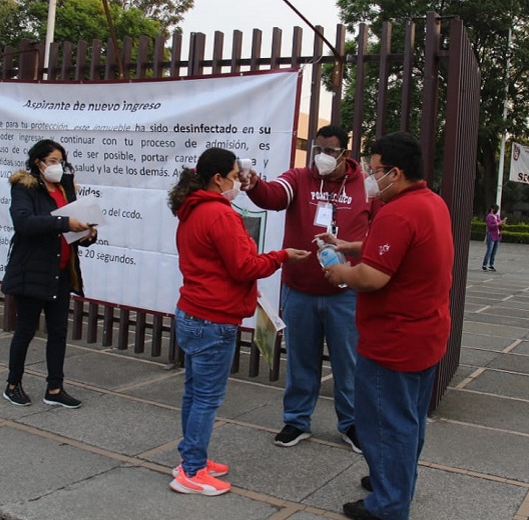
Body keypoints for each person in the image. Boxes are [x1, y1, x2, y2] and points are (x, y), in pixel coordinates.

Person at [322, 132, 454, 520]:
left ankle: (388, 505)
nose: (367, 175)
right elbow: (396, 248)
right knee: (408, 422)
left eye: (373, 168)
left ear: (395, 172)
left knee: (386, 424)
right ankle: (395, 480)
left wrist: (339, 271)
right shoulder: (430, 203)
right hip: (425, 336)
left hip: (393, 341)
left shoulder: (398, 211)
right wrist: (349, 246)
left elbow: (372, 278)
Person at [167, 147, 309, 496]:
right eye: (233, 177)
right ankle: (192, 470)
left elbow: (218, 265)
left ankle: (191, 456)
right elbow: (244, 266)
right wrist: (282, 256)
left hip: (194, 311)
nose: (237, 183)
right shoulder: (219, 214)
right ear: (217, 178)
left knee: (194, 392)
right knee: (206, 398)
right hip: (213, 318)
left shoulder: (192, 208)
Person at [240, 125, 374, 453]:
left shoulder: (364, 186)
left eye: (330, 151)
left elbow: (381, 230)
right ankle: (297, 420)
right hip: (300, 289)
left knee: (348, 363)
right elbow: (274, 195)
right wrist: (255, 185)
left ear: (346, 152)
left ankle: (352, 423)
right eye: (318, 149)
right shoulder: (299, 177)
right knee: (301, 360)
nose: (322, 157)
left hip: (345, 292)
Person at [0, 139, 97, 409]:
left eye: (61, 162)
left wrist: (87, 233)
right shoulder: (25, 187)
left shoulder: (65, 189)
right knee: (25, 330)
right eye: (52, 161)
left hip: (61, 272)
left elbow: (72, 230)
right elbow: (24, 222)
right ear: (37, 162)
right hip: (32, 270)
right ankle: (12, 384)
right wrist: (64, 222)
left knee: (58, 332)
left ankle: (55, 387)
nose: (57, 167)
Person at [482, 204, 504, 271]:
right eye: (495, 209)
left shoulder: (497, 216)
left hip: (497, 235)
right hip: (491, 235)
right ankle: (484, 264)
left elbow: (499, 224)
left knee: (494, 251)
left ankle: (491, 264)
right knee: (489, 250)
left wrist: (502, 223)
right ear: (492, 209)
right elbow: (490, 226)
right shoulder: (489, 216)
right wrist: (497, 224)